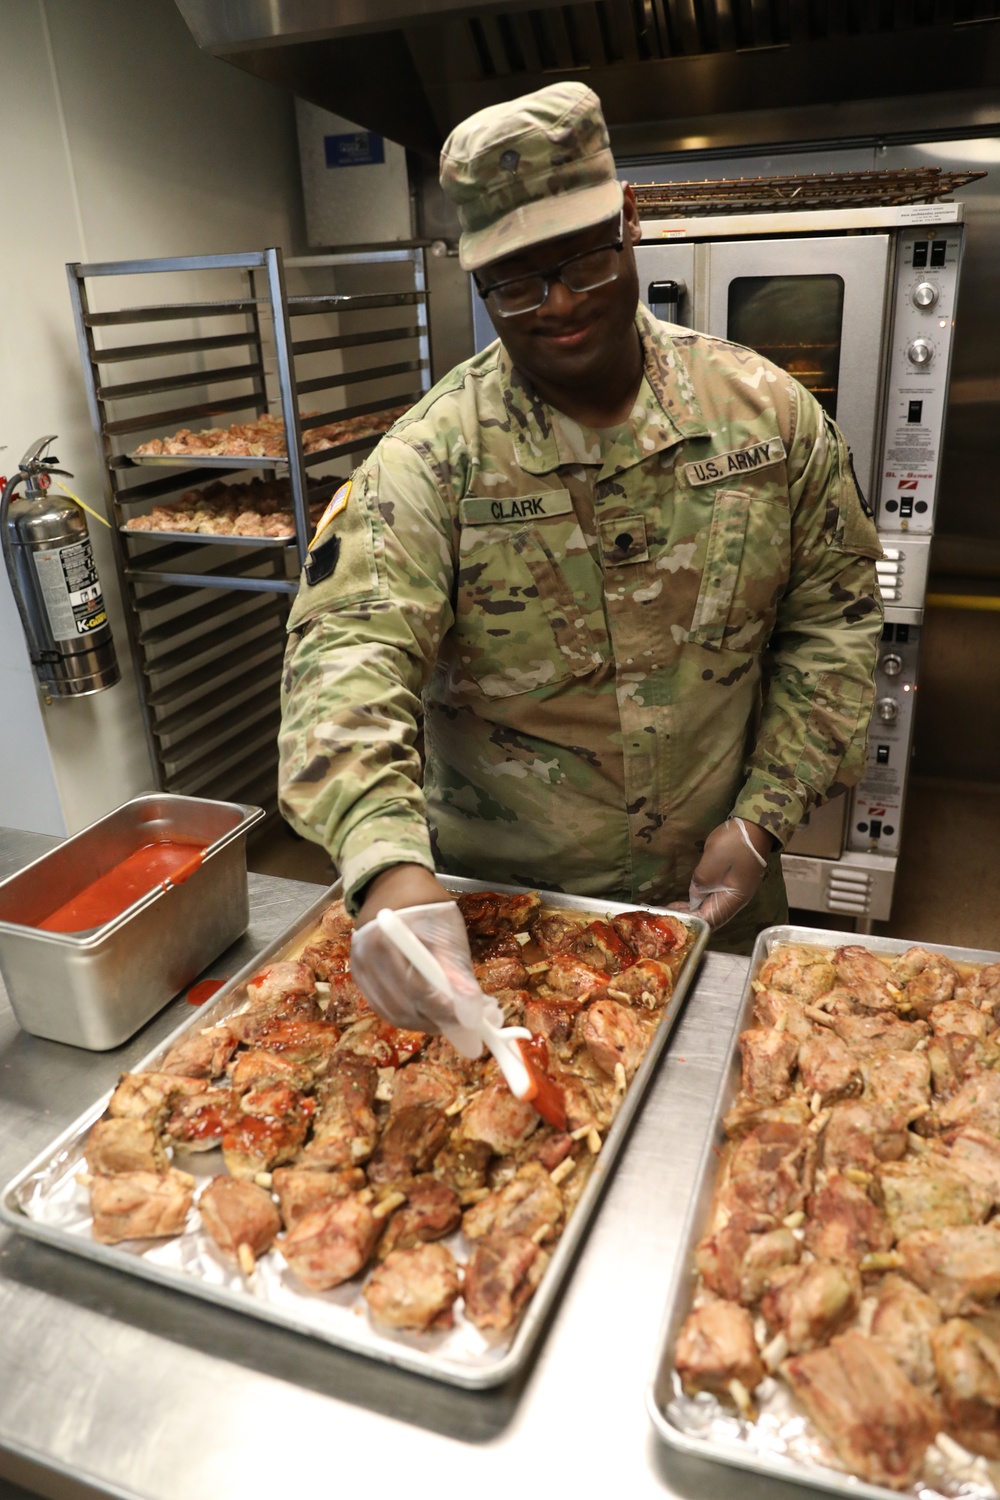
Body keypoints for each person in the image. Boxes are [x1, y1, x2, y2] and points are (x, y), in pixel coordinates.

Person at [277, 80, 882, 1044]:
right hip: (497, 933)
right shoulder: (434, 460)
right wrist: (386, 865)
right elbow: (347, 658)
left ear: (631, 223)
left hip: (716, 902)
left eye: (584, 264)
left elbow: (837, 624)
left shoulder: (767, 419)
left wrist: (764, 820)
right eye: (515, 283)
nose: (556, 306)